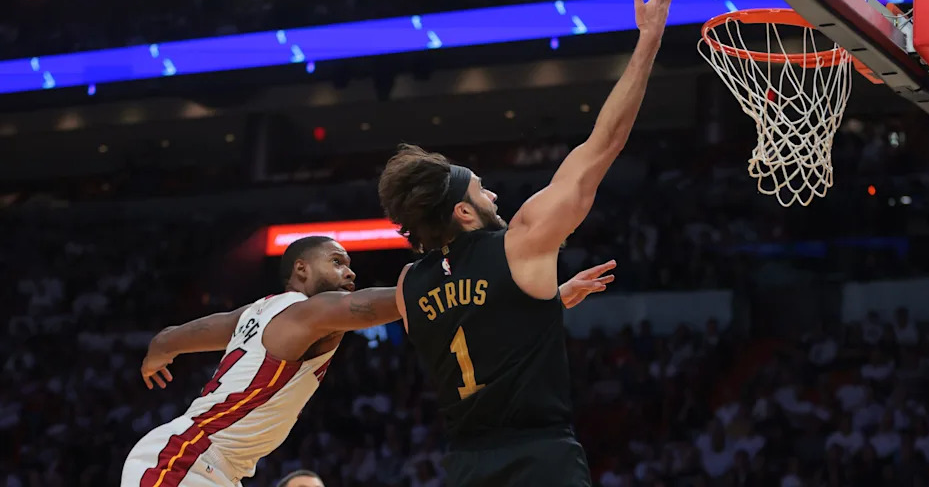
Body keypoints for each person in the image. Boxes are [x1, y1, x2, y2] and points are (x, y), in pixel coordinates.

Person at [377, 0, 686, 486]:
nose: (493, 194)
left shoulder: (410, 286)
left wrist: (544, 301)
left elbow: (474, 313)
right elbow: (602, 144)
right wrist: (649, 38)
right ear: (463, 212)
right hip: (538, 460)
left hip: (465, 466)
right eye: (480, 188)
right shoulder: (521, 244)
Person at [122, 236, 613, 486]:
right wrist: (524, 293)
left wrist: (158, 349)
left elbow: (182, 334)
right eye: (337, 262)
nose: (349, 270)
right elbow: (409, 299)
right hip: (185, 460)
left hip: (215, 466)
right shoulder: (314, 313)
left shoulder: (254, 312)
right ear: (301, 270)